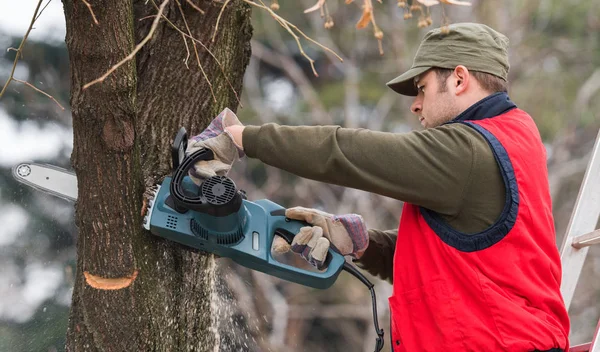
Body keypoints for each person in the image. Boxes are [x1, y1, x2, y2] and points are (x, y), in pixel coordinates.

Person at [187, 23, 570, 352]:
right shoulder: (513, 138)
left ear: (458, 78)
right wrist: (363, 242)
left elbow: (347, 153)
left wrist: (242, 137)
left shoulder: (469, 151)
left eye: (421, 88)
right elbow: (466, 263)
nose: (415, 105)